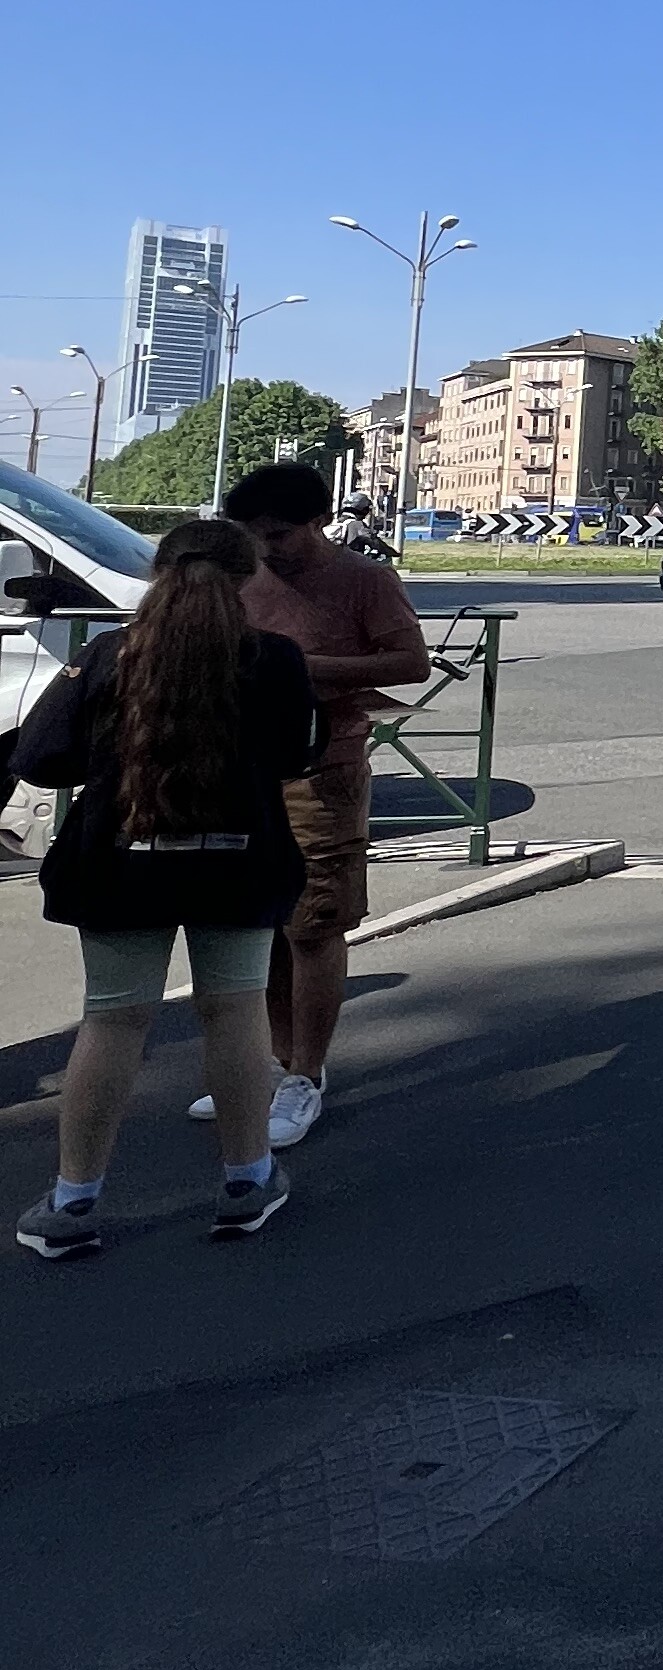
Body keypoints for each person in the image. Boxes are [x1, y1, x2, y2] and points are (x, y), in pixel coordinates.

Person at [15, 516, 319, 1259]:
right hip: (239, 864)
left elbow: (41, 756)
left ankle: (73, 1202)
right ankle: (248, 1181)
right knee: (235, 1012)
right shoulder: (275, 659)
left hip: (119, 863)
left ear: (159, 574)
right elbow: (295, 756)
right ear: (248, 579)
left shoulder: (108, 655)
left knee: (113, 1021)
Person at [212, 461, 429, 1148]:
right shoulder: (236, 575)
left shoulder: (366, 580)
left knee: (312, 924)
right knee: (255, 923)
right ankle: (275, 1062)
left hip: (321, 769)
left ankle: (306, 1073)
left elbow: (411, 663)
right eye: (252, 535)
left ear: (320, 522)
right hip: (238, 771)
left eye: (278, 534)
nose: (265, 548)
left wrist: (299, 669)